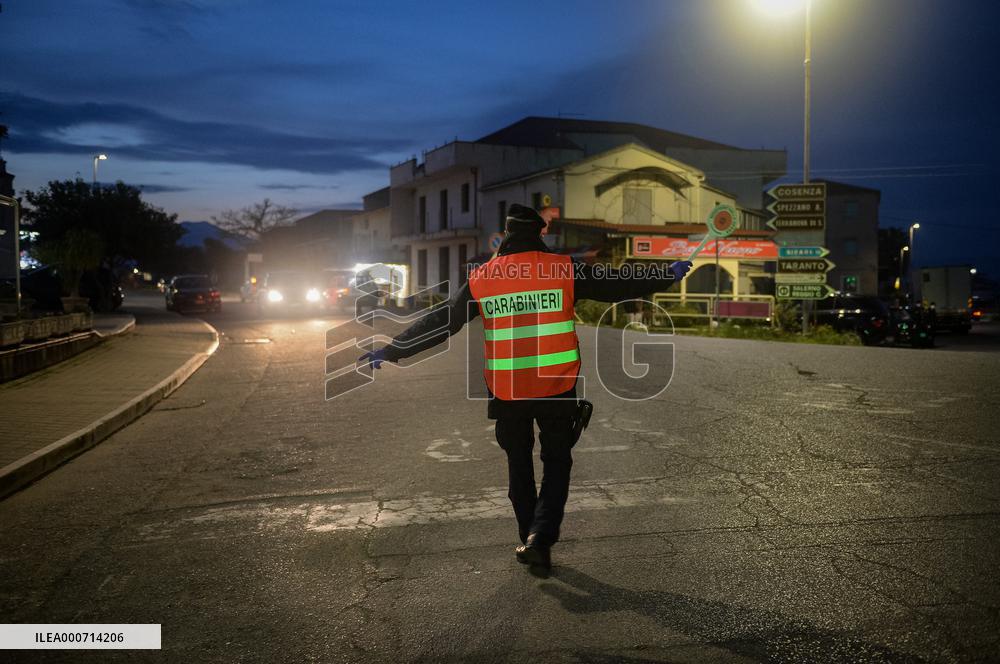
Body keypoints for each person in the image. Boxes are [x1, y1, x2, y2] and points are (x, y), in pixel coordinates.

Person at [360, 204, 691, 573]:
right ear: (540, 234)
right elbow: (616, 284)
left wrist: (394, 348)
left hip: (508, 391)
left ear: (504, 237)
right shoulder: (564, 268)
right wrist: (665, 275)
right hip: (556, 385)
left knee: (518, 465)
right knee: (557, 463)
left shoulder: (484, 277)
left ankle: (527, 537)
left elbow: (444, 321)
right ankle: (540, 536)